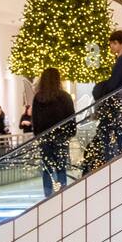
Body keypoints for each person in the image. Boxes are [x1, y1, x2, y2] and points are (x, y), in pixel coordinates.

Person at [91, 30, 122, 163]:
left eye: (114, 43)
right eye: (111, 43)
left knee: (110, 130)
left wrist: (100, 88)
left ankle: (114, 161)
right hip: (120, 102)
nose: (111, 46)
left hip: (117, 102)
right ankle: (118, 159)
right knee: (116, 131)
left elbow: (114, 83)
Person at [32, 66, 77, 196]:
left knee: (47, 168)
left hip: (44, 139)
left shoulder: (38, 98)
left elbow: (35, 121)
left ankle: (48, 195)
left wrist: (38, 136)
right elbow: (71, 118)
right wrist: (70, 133)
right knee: (61, 167)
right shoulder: (65, 97)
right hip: (61, 138)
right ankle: (61, 193)